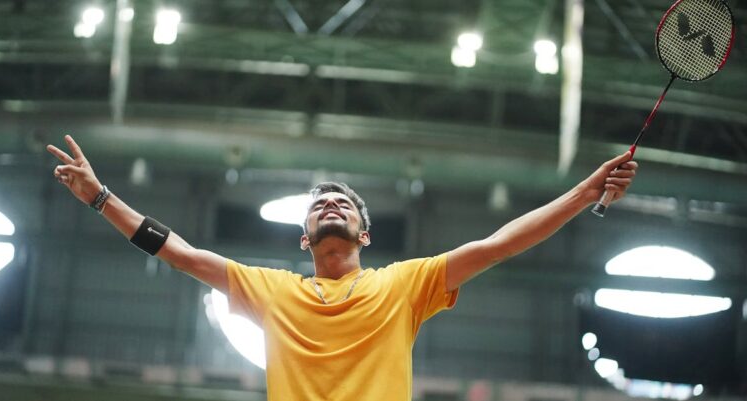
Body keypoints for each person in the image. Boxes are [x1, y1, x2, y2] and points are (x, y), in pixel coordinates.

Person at [47, 134, 638, 401]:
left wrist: (585, 192)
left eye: (343, 204)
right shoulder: (272, 291)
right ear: (305, 240)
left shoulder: (404, 284)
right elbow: (178, 251)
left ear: (364, 232)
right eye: (318, 207)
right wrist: (102, 199)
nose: (330, 206)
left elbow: (501, 243)